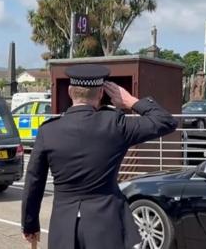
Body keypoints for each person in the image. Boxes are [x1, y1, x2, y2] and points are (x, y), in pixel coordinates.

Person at [21, 64, 178, 249]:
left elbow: (33, 182)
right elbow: (166, 121)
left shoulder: (49, 130)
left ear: (71, 92)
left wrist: (30, 224)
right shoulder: (115, 124)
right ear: (101, 93)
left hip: (63, 228)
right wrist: (131, 101)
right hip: (107, 226)